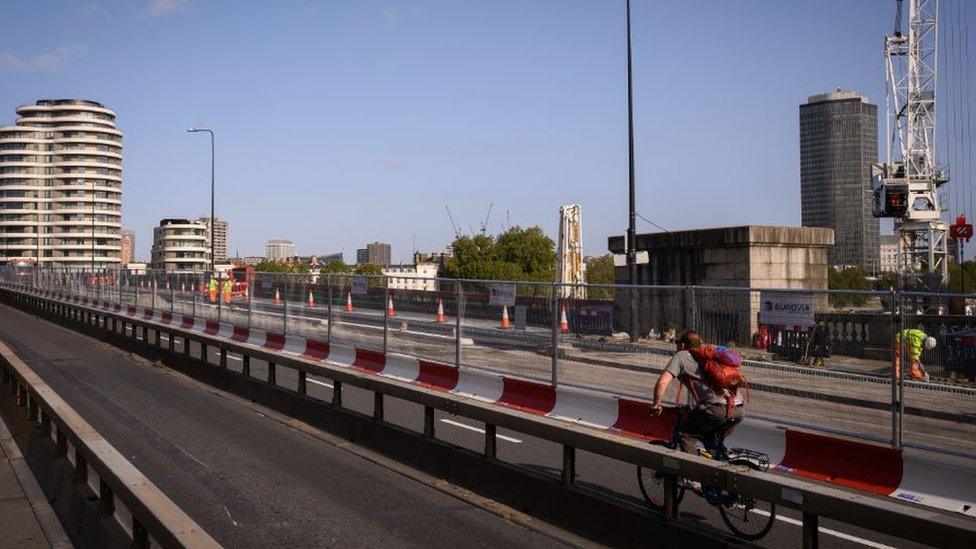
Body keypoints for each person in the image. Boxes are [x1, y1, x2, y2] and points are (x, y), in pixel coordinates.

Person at [651, 330, 745, 456]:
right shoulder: (709, 354)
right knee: (710, 439)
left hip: (715, 407)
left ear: (683, 345)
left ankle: (694, 473)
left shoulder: (681, 356)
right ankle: (721, 464)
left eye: (677, 343)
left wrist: (656, 404)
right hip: (737, 407)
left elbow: (662, 382)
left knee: (685, 435)